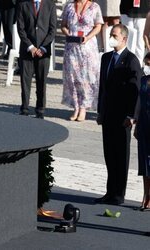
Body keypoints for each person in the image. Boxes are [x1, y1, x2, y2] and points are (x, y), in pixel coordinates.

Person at [95, 24, 142, 205]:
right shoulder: (106, 58)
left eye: (115, 35)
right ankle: (109, 191)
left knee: (121, 155)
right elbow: (103, 88)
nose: (112, 38)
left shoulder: (131, 60)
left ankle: (118, 194)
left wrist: (132, 115)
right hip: (108, 114)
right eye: (111, 35)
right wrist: (100, 111)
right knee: (109, 153)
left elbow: (135, 90)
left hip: (123, 116)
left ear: (124, 38)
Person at [61, 0, 103, 121]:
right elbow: (63, 25)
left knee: (86, 78)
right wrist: (68, 33)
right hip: (71, 47)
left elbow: (98, 26)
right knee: (72, 77)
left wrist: (88, 37)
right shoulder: (69, 6)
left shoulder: (94, 7)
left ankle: (84, 107)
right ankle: (76, 107)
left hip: (88, 48)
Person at [16, 0, 57, 119]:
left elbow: (52, 30)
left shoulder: (50, 5)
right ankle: (24, 108)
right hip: (27, 50)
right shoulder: (23, 5)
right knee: (25, 81)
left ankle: (40, 109)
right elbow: (21, 28)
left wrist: (43, 47)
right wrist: (31, 47)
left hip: (43, 52)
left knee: (41, 81)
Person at [133, 53, 150, 211]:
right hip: (144, 124)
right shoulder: (144, 80)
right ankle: (146, 196)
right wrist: (136, 123)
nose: (147, 67)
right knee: (144, 164)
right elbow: (139, 103)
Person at [120, 0, 150, 66]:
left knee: (140, 41)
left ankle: (138, 66)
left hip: (143, 9)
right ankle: (128, 65)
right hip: (126, 9)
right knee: (127, 40)